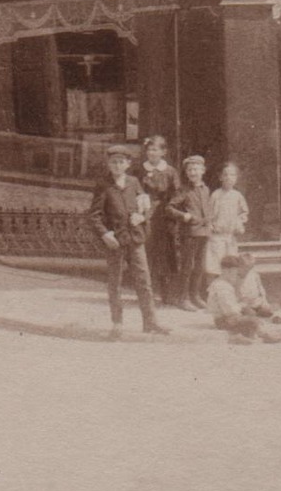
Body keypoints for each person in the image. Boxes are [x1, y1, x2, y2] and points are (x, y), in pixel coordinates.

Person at [88, 144, 169, 340]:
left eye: (121, 162)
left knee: (144, 281)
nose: (117, 165)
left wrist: (142, 217)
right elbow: (94, 216)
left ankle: (150, 322)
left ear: (128, 164)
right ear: (108, 164)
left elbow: (145, 206)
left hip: (135, 239)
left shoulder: (134, 182)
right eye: (113, 162)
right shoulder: (103, 185)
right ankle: (117, 323)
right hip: (116, 241)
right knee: (115, 283)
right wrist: (105, 234)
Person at [131, 135, 181, 306]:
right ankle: (148, 294)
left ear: (163, 152)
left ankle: (167, 293)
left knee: (166, 253)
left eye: (156, 150)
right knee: (147, 252)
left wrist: (171, 208)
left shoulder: (170, 171)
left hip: (164, 216)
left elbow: (177, 193)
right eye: (149, 149)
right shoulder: (140, 170)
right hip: (146, 214)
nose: (152, 153)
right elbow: (134, 190)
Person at [168, 154, 215, 311]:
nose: (193, 172)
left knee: (199, 266)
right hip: (189, 233)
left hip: (204, 232)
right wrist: (184, 216)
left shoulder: (206, 189)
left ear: (203, 170)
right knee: (188, 265)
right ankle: (183, 298)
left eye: (196, 169)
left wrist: (210, 223)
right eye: (189, 170)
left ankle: (195, 296)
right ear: (186, 173)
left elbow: (207, 209)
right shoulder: (183, 190)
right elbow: (169, 208)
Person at [206, 255, 266, 343]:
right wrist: (242, 304)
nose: (235, 276)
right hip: (223, 320)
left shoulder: (223, 284)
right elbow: (230, 311)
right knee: (253, 321)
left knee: (249, 313)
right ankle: (238, 336)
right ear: (227, 271)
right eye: (235, 273)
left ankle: (251, 335)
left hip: (227, 317)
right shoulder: (222, 287)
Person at [205, 162, 249, 274]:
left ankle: (229, 288)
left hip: (230, 236)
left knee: (231, 263)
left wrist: (239, 223)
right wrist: (211, 226)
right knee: (216, 265)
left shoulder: (237, 196)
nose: (229, 178)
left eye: (232, 175)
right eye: (225, 175)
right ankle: (216, 288)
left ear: (236, 178)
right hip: (218, 236)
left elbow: (244, 213)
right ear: (220, 177)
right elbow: (209, 215)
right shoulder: (216, 195)